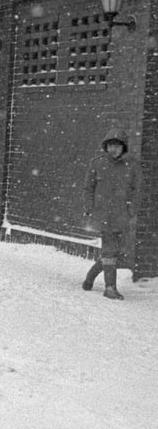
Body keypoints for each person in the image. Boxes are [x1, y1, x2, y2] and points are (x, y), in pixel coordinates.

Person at [82, 128, 141, 300]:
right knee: (109, 250)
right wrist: (89, 207)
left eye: (116, 146)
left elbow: (138, 190)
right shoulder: (97, 163)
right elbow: (88, 187)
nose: (113, 149)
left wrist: (132, 210)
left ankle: (91, 276)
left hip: (123, 214)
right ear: (105, 147)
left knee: (118, 253)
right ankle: (110, 287)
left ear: (123, 147)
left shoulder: (133, 166)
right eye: (110, 146)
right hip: (103, 214)